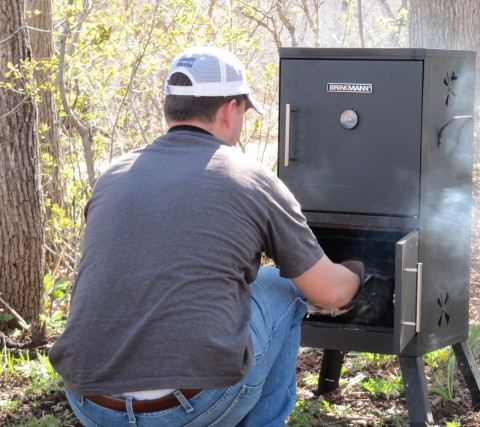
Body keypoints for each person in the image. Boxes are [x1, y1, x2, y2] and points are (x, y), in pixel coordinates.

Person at [48, 45, 362, 427]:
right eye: (244, 112)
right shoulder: (250, 178)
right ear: (230, 108)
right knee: (281, 286)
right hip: (188, 407)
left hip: (91, 402)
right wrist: (358, 274)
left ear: (172, 106)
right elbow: (330, 293)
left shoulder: (114, 175)